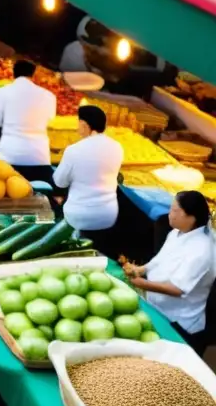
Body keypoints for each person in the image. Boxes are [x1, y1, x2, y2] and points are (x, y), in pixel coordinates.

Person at [123, 191, 216, 353]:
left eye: (174, 210)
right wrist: (140, 269)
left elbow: (178, 289)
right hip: (159, 308)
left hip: (180, 322)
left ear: (191, 217)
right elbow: (159, 260)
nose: (169, 215)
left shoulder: (202, 251)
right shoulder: (176, 233)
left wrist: (143, 284)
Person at [53, 105, 124, 241]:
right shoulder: (117, 147)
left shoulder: (74, 150)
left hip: (78, 216)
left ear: (84, 124)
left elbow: (59, 182)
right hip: (108, 215)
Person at [0, 60, 57, 183]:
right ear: (33, 74)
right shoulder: (48, 95)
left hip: (9, 157)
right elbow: (50, 120)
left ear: (13, 74)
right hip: (39, 157)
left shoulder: (2, 92)